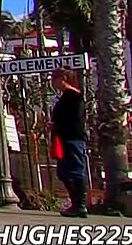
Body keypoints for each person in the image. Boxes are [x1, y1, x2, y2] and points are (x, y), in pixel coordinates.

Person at [50, 68, 88, 218]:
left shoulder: (74, 97)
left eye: (55, 78)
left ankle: (80, 205)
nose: (53, 82)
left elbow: (76, 120)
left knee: (76, 170)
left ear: (63, 78)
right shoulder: (64, 97)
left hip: (73, 138)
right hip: (63, 138)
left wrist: (58, 126)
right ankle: (76, 203)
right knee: (64, 172)